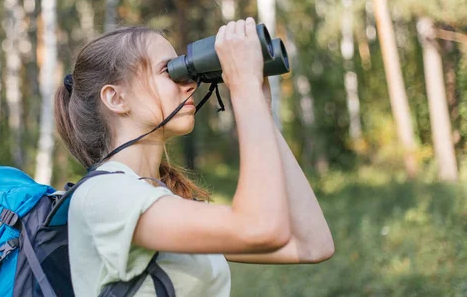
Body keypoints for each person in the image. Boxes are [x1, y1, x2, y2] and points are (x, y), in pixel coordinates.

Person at [54, 17, 335, 296]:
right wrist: (243, 89)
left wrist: (261, 109)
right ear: (116, 98)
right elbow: (260, 229)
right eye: (169, 71)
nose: (189, 84)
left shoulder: (163, 200)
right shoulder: (103, 195)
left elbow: (312, 243)